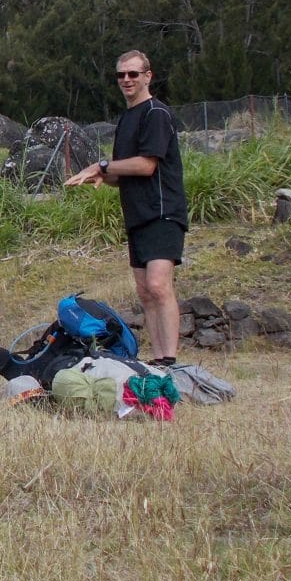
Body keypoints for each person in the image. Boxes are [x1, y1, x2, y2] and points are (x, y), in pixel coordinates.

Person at [63, 49, 187, 368]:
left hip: (162, 211)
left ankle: (169, 359)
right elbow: (123, 173)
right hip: (137, 216)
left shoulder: (155, 114)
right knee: (145, 291)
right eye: (121, 75)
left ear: (148, 76)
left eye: (133, 74)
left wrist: (101, 164)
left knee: (159, 285)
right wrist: (102, 175)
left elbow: (146, 165)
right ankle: (158, 359)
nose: (127, 80)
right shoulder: (127, 118)